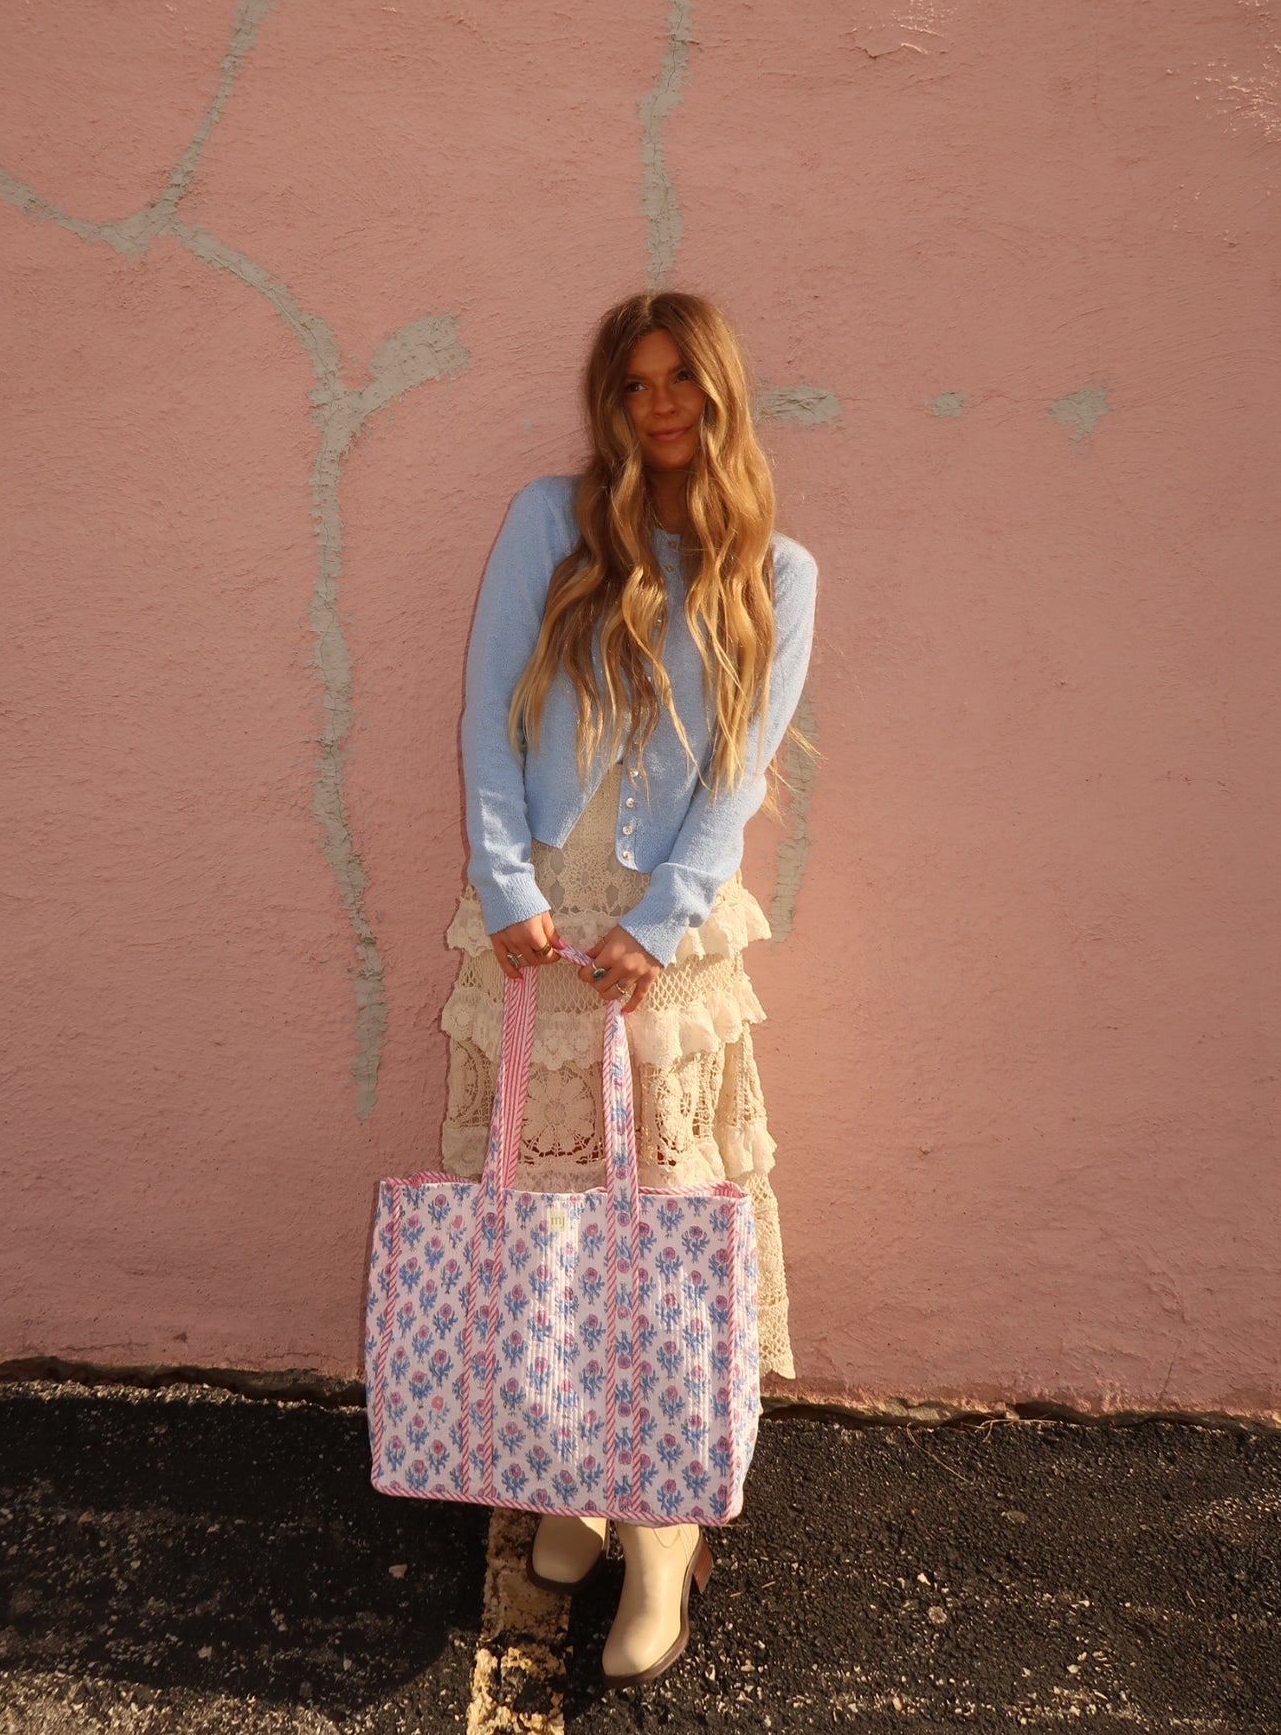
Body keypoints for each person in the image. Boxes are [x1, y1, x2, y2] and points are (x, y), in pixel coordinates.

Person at [438, 288, 819, 1688]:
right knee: (548, 1222)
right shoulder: (551, 521)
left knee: (664, 1223)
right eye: (636, 383)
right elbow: (487, 713)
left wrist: (658, 927)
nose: (660, 405)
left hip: (666, 939)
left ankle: (664, 1526)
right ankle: (572, 1484)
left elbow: (739, 773)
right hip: (543, 914)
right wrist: (506, 888)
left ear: (720, 395)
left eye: (682, 381)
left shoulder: (777, 572)